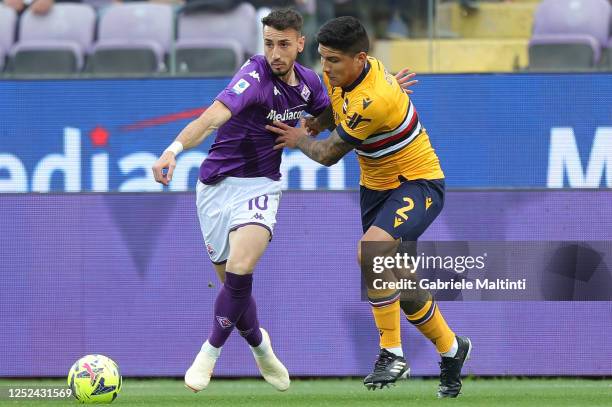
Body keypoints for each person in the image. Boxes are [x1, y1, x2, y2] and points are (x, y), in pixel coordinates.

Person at [152, 8, 416, 392]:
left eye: (284, 45)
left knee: (242, 268)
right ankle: (261, 347)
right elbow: (211, 119)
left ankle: (208, 354)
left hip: (261, 185)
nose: (275, 53)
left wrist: (387, 90)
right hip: (215, 187)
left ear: (300, 44)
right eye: (269, 44)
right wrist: (173, 150)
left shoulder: (309, 83)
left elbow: (336, 114)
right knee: (232, 289)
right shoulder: (252, 78)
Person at [266, 16, 472, 398]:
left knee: (371, 251)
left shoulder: (375, 97)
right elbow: (336, 109)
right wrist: (315, 122)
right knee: (401, 281)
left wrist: (299, 138)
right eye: (322, 59)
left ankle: (391, 353)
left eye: (333, 61)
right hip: (375, 188)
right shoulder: (353, 75)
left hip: (417, 183)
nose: (325, 68)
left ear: (359, 58)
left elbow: (329, 154)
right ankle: (451, 348)